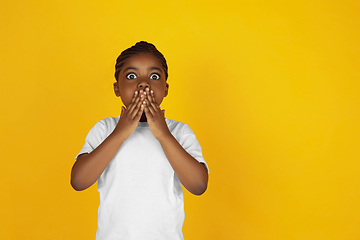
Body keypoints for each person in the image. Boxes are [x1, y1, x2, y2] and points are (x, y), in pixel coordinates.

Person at [71, 41, 209, 240]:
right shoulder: (105, 128)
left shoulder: (178, 132)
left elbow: (198, 185)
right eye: (131, 76)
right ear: (117, 88)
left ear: (166, 88)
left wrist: (163, 134)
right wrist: (120, 133)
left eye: (154, 76)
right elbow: (78, 181)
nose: (143, 83)